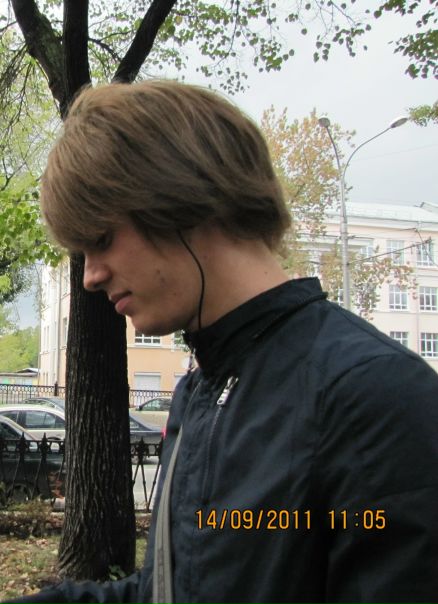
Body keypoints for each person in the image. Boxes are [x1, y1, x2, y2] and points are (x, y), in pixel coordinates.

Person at [4, 80, 438, 604]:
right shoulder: (198, 393)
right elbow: (171, 590)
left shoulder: (376, 397)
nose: (91, 277)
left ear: (181, 198)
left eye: (101, 240)